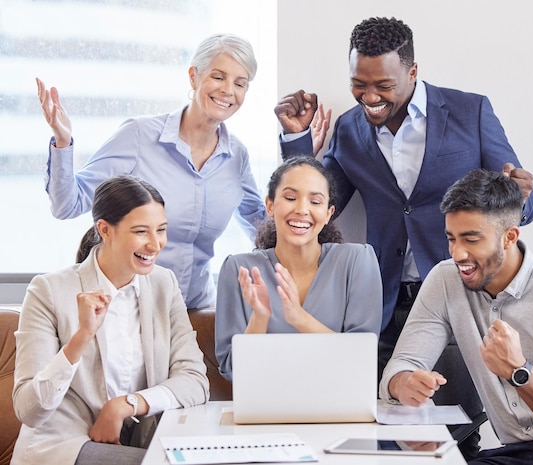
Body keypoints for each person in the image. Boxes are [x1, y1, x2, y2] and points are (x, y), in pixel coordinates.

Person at [274, 16, 533, 458]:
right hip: (381, 303)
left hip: (459, 296)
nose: (370, 97)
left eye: (383, 85)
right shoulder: (348, 127)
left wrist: (520, 198)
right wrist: (297, 139)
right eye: (359, 84)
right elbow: (322, 203)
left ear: (412, 72)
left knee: (458, 432)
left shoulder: (470, 112)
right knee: (385, 430)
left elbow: (519, 203)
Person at [380, 169, 533, 464]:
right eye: (451, 239)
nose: (457, 254)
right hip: (514, 453)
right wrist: (403, 383)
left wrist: (518, 371)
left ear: (509, 236)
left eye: (471, 239)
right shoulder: (445, 281)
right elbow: (401, 366)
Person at [36, 32, 266, 311]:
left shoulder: (236, 156)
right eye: (218, 77)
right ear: (193, 77)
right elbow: (67, 205)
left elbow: (262, 227)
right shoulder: (139, 136)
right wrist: (63, 141)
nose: (228, 90)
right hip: (128, 308)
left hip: (193, 310)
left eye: (240, 83)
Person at [11, 175, 209, 465]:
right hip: (63, 447)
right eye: (141, 231)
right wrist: (81, 337)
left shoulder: (163, 283)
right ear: (105, 229)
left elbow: (194, 380)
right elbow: (29, 410)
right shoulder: (49, 290)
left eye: (161, 230)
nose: (155, 244)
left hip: (137, 444)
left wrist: (126, 406)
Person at [215, 156, 383, 381]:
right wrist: (260, 318)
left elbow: (361, 357)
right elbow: (233, 370)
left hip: (339, 407)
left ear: (328, 214)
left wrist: (299, 318)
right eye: (291, 197)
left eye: (315, 202)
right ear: (270, 205)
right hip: (265, 408)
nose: (302, 209)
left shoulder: (357, 261)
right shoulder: (239, 269)